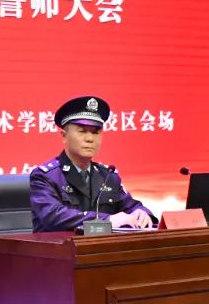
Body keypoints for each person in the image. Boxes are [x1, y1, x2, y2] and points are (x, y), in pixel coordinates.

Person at [30, 95, 154, 232]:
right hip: (59, 245)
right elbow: (53, 216)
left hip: (101, 245)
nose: (89, 139)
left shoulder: (107, 176)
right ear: (64, 136)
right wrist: (106, 220)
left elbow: (132, 206)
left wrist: (141, 213)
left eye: (96, 132)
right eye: (82, 131)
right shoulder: (45, 176)